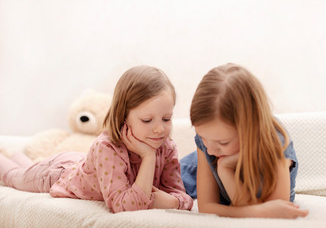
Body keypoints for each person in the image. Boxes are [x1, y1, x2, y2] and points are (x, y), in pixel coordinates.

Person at [0, 65, 193, 213]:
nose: (160, 129)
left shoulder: (166, 147)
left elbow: (183, 196)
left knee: (26, 170)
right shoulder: (108, 147)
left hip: (81, 164)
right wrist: (148, 157)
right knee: (14, 178)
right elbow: (124, 206)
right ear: (123, 116)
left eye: (166, 119)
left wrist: (174, 201)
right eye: (147, 120)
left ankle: (17, 155)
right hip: (57, 173)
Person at [180, 63, 308, 218]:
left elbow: (276, 213)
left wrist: (225, 169)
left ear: (251, 129)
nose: (211, 151)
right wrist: (223, 168)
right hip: (189, 171)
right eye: (203, 138)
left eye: (223, 143)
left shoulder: (276, 144)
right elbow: (206, 207)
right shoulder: (207, 145)